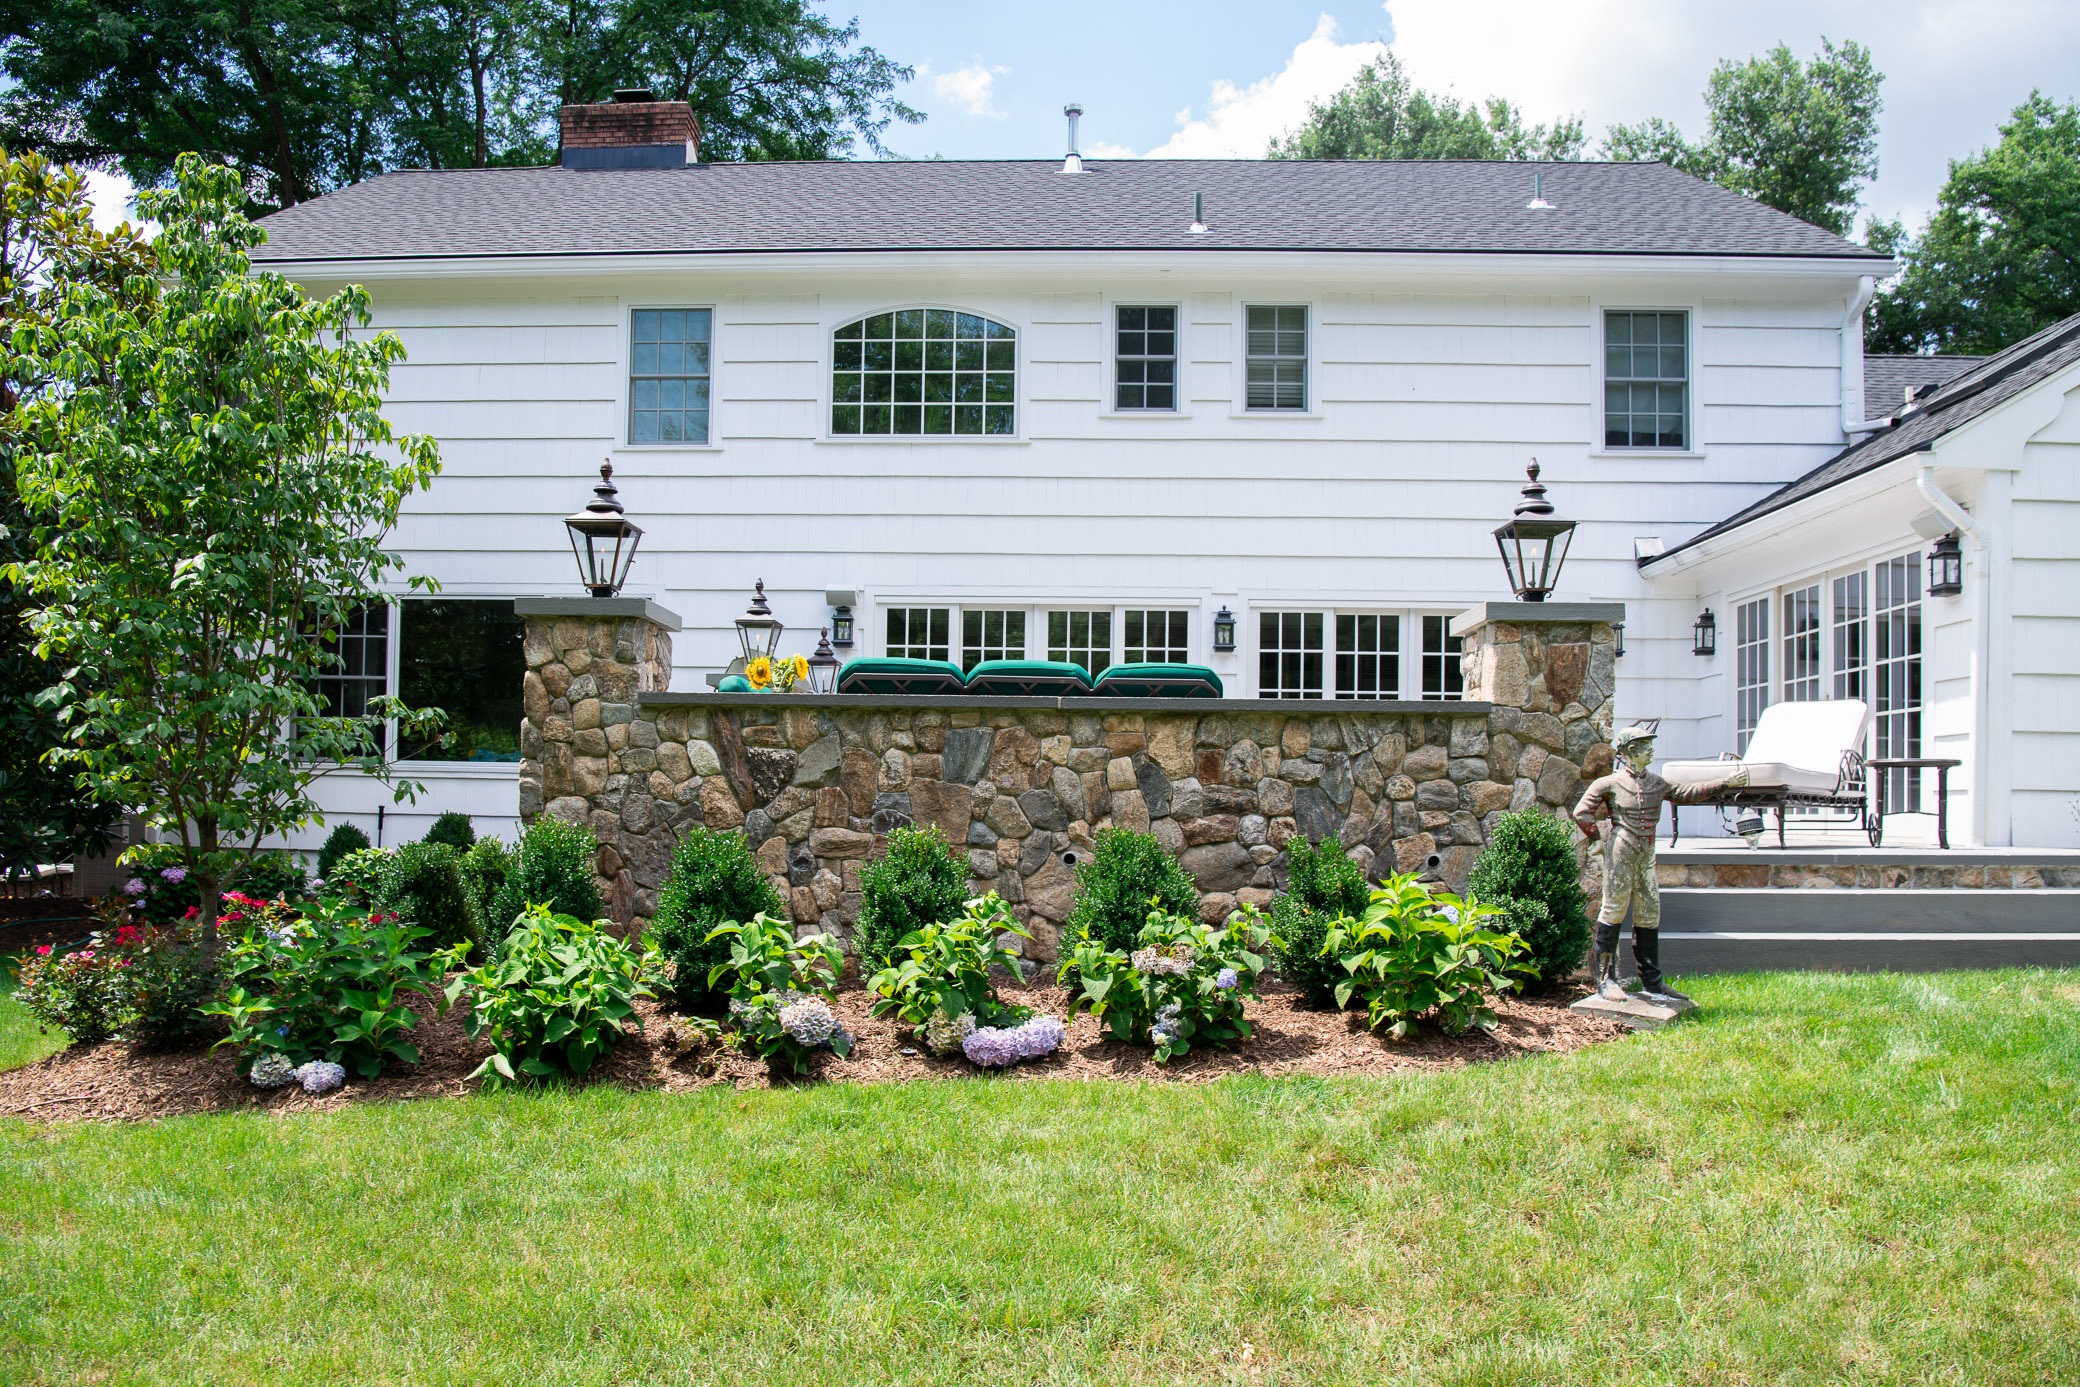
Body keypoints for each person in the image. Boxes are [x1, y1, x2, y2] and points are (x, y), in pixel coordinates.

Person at [1572, 724, 1746, 1004]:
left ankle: (1652, 982)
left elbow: (1688, 793)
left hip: (1647, 851)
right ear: (1630, 751)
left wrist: (1725, 783)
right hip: (1622, 848)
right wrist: (1595, 841)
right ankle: (1606, 980)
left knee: (1649, 911)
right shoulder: (1610, 783)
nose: (1651, 749)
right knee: (1614, 908)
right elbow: (1581, 812)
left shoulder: (1657, 782)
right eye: (1644, 745)